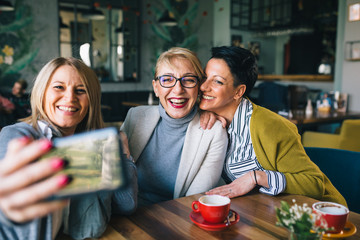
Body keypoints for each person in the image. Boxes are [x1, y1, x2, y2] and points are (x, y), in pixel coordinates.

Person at [0, 57, 137, 240]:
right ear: (42, 92)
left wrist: (123, 151)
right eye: (59, 87)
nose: (70, 97)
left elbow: (127, 204)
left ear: (91, 100)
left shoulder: (96, 144)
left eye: (81, 90)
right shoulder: (17, 137)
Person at [199, 46, 346, 205]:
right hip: (258, 212)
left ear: (238, 92)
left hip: (320, 216)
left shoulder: (269, 126)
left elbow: (315, 184)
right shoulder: (210, 117)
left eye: (217, 81)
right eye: (204, 77)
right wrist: (202, 113)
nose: (203, 87)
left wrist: (257, 177)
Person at [120, 47, 228, 206]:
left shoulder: (213, 132)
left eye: (189, 80)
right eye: (167, 79)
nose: (178, 90)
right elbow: (117, 184)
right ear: (156, 87)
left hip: (180, 219)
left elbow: (194, 201)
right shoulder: (135, 117)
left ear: (199, 88)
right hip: (129, 215)